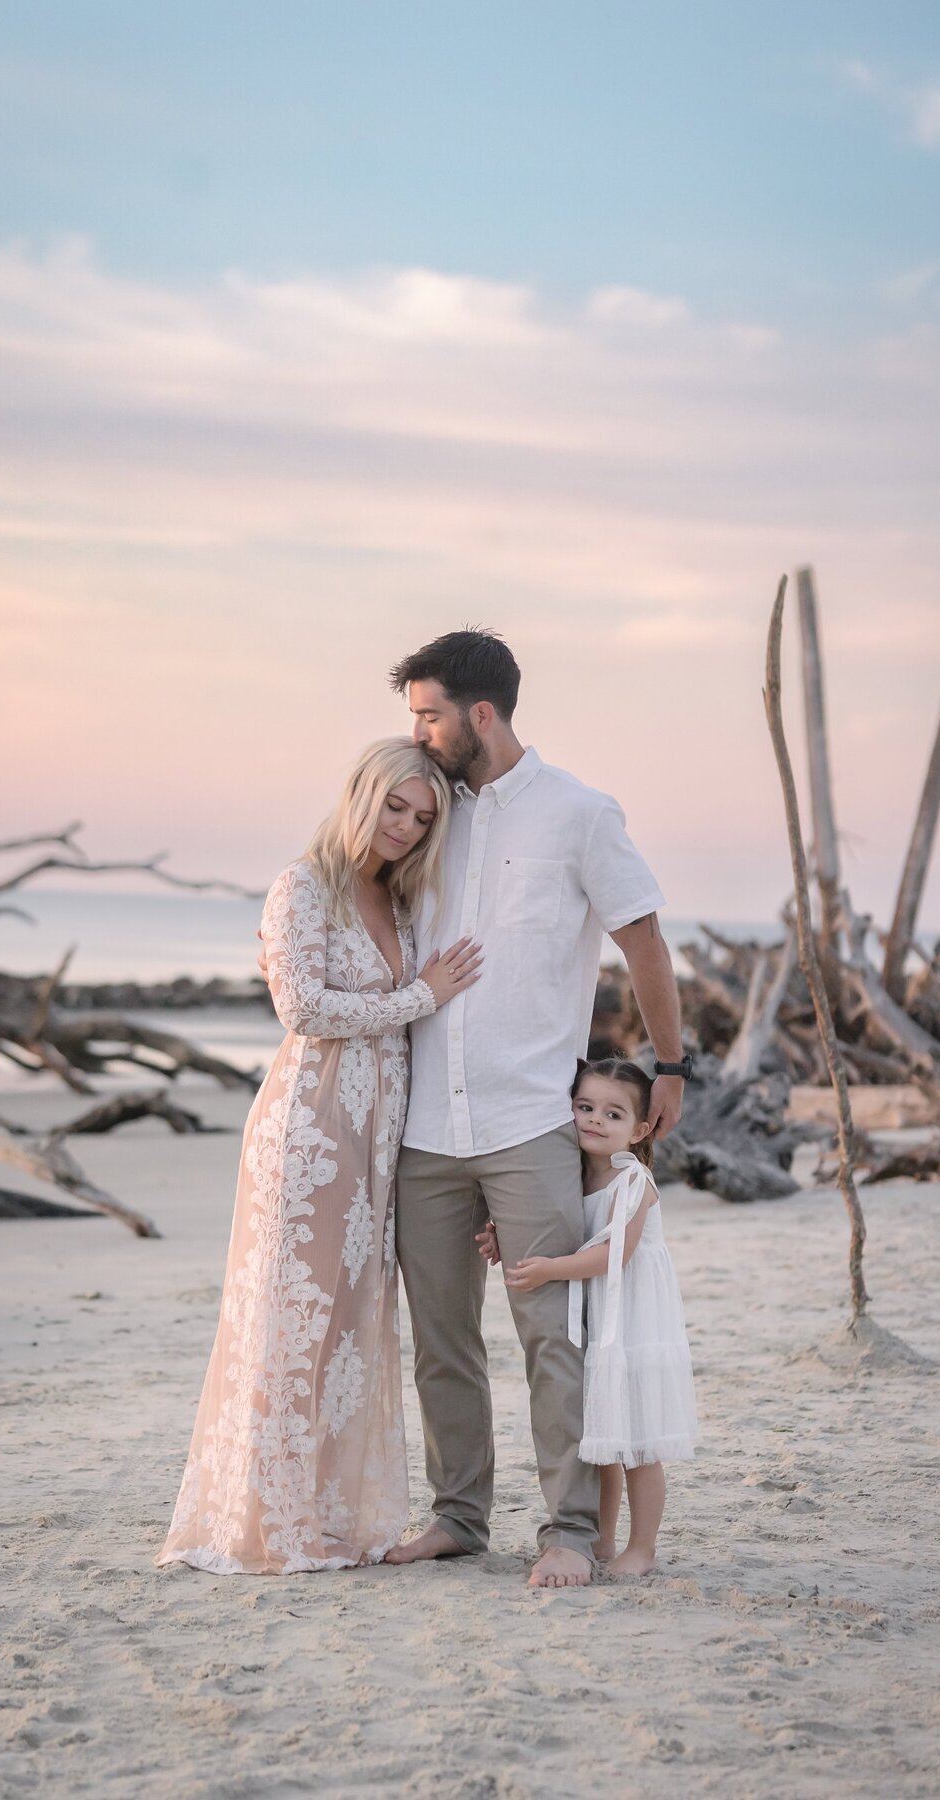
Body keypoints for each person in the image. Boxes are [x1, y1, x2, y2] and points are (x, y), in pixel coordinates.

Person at [385, 629, 689, 1589]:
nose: (418, 733)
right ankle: (458, 1517)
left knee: (553, 1335)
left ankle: (567, 1531)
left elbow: (643, 938)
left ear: (481, 714)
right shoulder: (429, 812)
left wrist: (672, 1065)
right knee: (441, 1338)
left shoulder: (580, 814)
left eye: (428, 714)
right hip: (426, 1124)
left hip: (528, 1119)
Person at [156, 738, 481, 1575]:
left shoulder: (401, 901)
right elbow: (301, 1007)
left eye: (423, 817)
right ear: (360, 795)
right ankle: (268, 1523)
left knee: (350, 1330)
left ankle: (329, 1515)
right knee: (291, 1323)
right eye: (395, 807)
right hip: (309, 1130)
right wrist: (422, 996)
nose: (406, 827)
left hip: (379, 1141)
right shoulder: (303, 886)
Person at [481, 1058, 700, 1576]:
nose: (595, 1120)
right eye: (585, 1107)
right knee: (601, 1438)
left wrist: (552, 1268)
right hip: (597, 1325)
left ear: (641, 1129)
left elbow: (613, 1254)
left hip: (632, 1325)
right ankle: (599, 1540)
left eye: (613, 1113)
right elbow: (557, 1226)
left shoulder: (633, 1182)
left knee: (639, 1445)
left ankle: (642, 1548)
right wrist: (503, 1237)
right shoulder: (569, 1178)